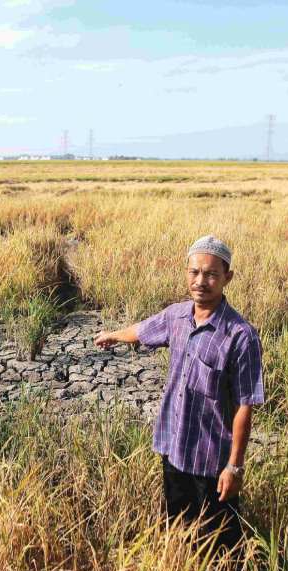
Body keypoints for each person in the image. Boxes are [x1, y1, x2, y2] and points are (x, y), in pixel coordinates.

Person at [93, 234, 265, 550]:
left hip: (212, 459)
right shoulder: (177, 316)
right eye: (194, 272)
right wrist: (114, 335)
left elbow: (245, 405)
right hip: (174, 448)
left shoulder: (241, 336)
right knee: (179, 530)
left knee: (221, 544)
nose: (201, 281)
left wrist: (235, 466)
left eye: (211, 274)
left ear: (228, 277)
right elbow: (143, 330)